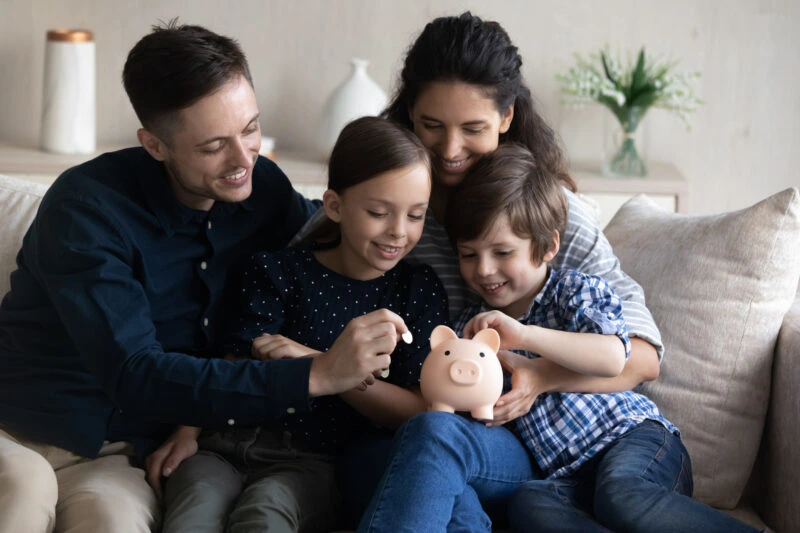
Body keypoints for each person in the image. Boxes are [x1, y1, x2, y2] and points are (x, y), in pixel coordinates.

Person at [0, 23, 397, 533]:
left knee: (114, 524)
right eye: (213, 146)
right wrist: (316, 375)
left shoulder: (262, 190)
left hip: (117, 457)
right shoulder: (85, 209)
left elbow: (344, 227)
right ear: (155, 144)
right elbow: (135, 373)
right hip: (17, 429)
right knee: (22, 497)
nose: (243, 158)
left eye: (250, 128)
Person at [341, 11, 665, 528]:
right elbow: (308, 252)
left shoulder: (548, 215)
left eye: (473, 129)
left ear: (507, 117)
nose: (450, 151)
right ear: (408, 116)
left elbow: (641, 356)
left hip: (502, 438)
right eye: (431, 126)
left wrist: (539, 377)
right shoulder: (383, 199)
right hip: (409, 424)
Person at [146, 116, 448, 533]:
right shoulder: (278, 271)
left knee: (264, 519)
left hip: (310, 461)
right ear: (335, 206)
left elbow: (418, 412)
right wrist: (186, 431)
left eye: (416, 216)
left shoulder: (416, 291)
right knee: (193, 516)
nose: (398, 231)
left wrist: (323, 363)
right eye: (379, 212)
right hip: (222, 444)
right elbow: (233, 358)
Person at [444, 145, 755, 533]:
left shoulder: (574, 292)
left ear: (548, 247)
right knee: (527, 503)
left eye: (502, 252)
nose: (484, 269)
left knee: (621, 494)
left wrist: (525, 334)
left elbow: (612, 357)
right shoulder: (470, 327)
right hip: (566, 478)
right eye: (468, 255)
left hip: (633, 442)